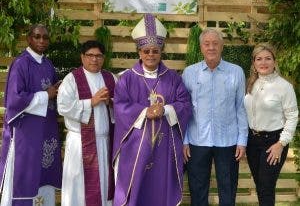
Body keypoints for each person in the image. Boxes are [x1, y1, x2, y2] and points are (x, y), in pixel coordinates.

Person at [113, 13, 192, 206]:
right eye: (146, 50)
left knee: (160, 189)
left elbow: (185, 104)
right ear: (139, 52)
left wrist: (165, 110)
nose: (150, 55)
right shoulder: (127, 78)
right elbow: (120, 106)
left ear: (161, 52)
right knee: (135, 189)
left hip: (165, 147)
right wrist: (144, 112)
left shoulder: (172, 78)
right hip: (135, 146)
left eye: (155, 51)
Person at [182, 28, 248, 206]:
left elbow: (241, 107)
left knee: (228, 189)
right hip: (197, 141)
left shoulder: (236, 72)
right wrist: (185, 140)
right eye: (207, 44)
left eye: (215, 43)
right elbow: (185, 109)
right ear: (201, 47)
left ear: (222, 46)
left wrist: (242, 140)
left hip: (228, 141)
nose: (211, 47)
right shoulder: (189, 72)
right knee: (197, 189)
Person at [0, 24, 62, 206]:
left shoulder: (48, 64)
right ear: (29, 38)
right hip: (25, 132)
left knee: (43, 173)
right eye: (37, 36)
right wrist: (46, 94)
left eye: (45, 37)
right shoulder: (21, 64)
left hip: (46, 129)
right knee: (25, 175)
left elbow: (53, 95)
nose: (42, 41)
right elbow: (14, 99)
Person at [57, 40, 116, 206]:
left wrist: (110, 103)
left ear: (103, 58)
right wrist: (91, 101)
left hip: (105, 143)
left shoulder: (110, 78)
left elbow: (122, 106)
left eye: (98, 56)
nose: (94, 59)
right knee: (78, 188)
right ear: (82, 57)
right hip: (79, 143)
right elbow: (63, 106)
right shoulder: (71, 79)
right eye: (90, 55)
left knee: (104, 185)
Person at [244, 43, 298, 206]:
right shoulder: (250, 84)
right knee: (260, 185)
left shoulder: (284, 87)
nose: (263, 62)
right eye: (259, 59)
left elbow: (293, 116)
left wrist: (281, 144)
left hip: (273, 142)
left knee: (266, 187)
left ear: (275, 61)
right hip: (252, 141)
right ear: (254, 63)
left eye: (268, 58)